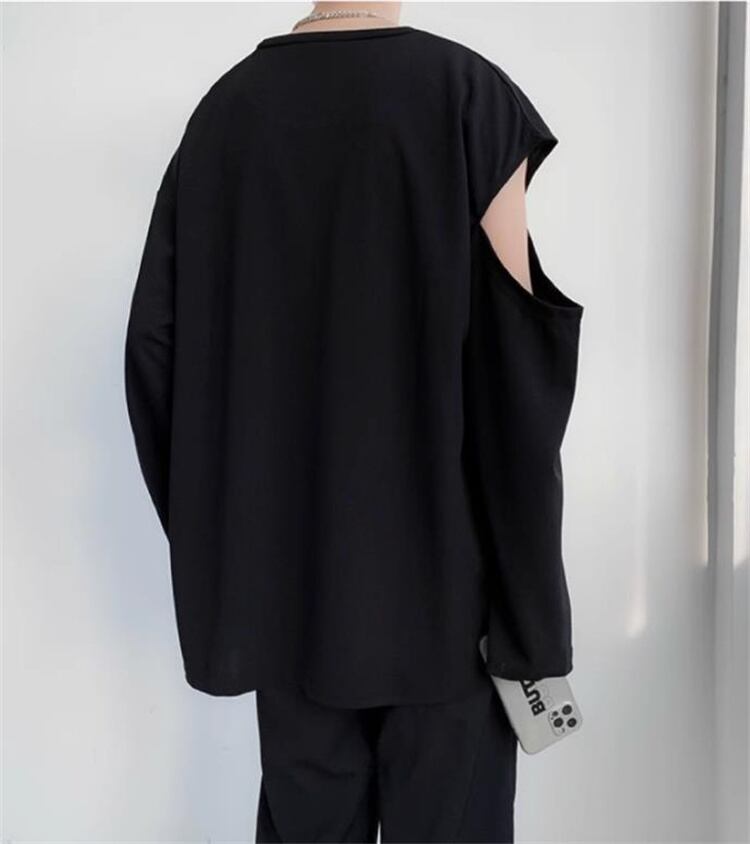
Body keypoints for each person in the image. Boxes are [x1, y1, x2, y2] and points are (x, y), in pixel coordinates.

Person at [124, 2, 585, 841]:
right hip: (452, 606)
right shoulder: (466, 97)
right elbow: (515, 374)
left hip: (287, 608)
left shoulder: (226, 112)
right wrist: (532, 617)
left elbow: (156, 352)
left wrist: (227, 549)